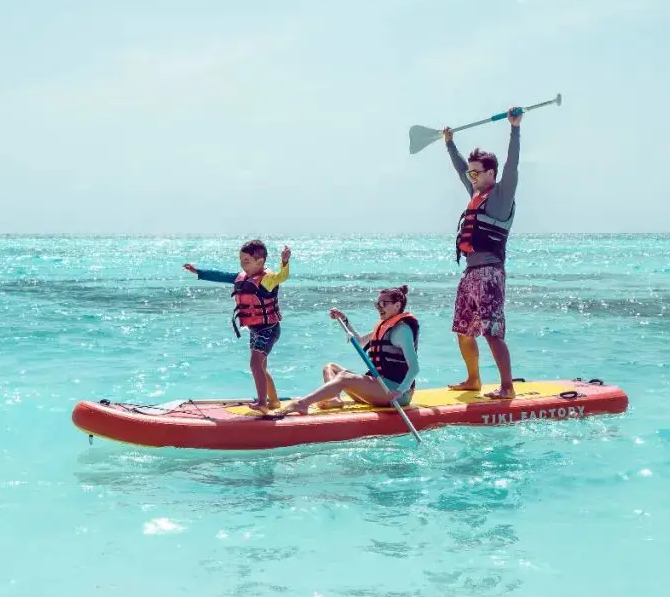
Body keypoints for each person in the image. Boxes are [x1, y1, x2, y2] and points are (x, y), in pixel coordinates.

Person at [442, 105, 522, 399]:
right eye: (470, 172)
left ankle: (507, 387)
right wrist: (450, 143)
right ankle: (473, 379)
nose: (471, 176)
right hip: (470, 273)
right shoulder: (475, 192)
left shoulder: (501, 196)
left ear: (490, 173)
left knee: (491, 331)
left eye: (476, 172)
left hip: (489, 273)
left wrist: (515, 129)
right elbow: (460, 168)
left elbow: (512, 165)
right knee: (463, 330)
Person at [276, 285, 419, 416]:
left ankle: (302, 404)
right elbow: (360, 342)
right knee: (331, 368)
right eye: (377, 304)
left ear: (397, 305)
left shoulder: (402, 330)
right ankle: (334, 399)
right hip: (379, 386)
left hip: (396, 393)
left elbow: (414, 368)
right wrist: (344, 320)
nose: (379, 307)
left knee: (344, 377)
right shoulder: (384, 326)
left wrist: (400, 391)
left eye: (384, 303)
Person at [184, 239, 291, 413]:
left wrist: (285, 262)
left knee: (255, 365)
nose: (243, 264)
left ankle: (262, 403)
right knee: (261, 367)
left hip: (269, 329)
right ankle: (274, 401)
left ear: (260, 262)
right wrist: (198, 271)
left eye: (246, 261)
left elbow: (282, 276)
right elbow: (221, 276)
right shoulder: (243, 277)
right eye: (241, 260)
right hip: (255, 329)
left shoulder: (268, 279)